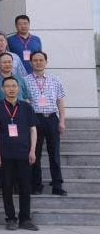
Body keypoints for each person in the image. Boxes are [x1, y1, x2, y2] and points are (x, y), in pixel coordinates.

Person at [0, 77, 39, 231]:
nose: (11, 89)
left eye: (14, 86)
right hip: (5, 153)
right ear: (2, 89)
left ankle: (25, 219)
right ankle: (10, 218)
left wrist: (32, 150)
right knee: (7, 187)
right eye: (7, 86)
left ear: (18, 88)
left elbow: (33, 129)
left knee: (25, 187)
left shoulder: (26, 107)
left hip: (24, 153)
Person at [25, 51, 67, 196]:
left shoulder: (55, 80)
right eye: (35, 60)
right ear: (30, 63)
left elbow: (60, 101)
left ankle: (57, 184)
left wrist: (62, 120)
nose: (38, 62)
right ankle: (36, 185)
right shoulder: (25, 80)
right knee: (35, 153)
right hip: (34, 119)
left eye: (41, 60)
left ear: (46, 62)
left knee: (54, 152)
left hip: (52, 118)